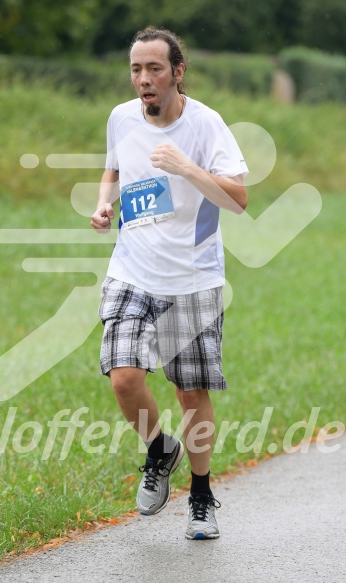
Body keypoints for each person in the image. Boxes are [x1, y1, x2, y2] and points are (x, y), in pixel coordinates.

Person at [91, 26, 248, 540]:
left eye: (154, 69)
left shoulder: (206, 125)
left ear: (177, 73)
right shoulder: (120, 117)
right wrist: (104, 201)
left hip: (194, 277)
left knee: (190, 392)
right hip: (132, 270)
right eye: (136, 69)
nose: (143, 79)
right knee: (124, 376)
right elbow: (115, 166)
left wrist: (187, 167)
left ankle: (201, 497)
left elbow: (237, 198)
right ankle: (160, 451)